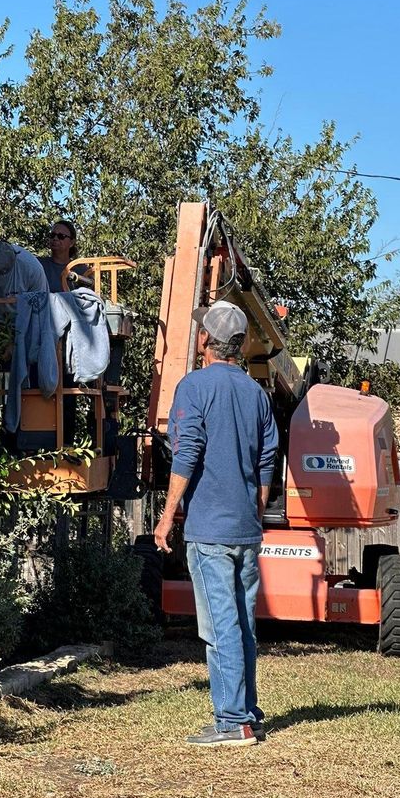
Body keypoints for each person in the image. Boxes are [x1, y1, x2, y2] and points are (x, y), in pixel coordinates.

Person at [154, 300, 278, 748]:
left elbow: (186, 452)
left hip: (210, 529)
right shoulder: (256, 394)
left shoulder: (194, 387)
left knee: (220, 625)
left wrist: (166, 516)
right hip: (245, 527)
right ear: (240, 345)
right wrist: (255, 511)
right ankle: (249, 715)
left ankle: (232, 722)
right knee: (242, 622)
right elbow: (267, 460)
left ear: (205, 339)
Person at [39, 220, 93, 293]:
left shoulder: (82, 270)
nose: (55, 238)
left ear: (71, 242)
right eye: (52, 235)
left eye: (61, 236)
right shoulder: (38, 265)